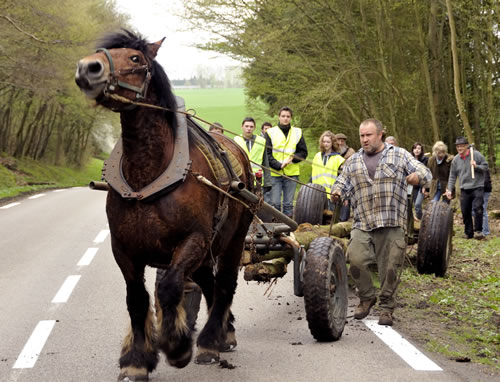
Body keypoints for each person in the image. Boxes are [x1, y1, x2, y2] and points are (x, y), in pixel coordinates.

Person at [331, 118, 431, 326]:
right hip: (363, 222)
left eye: (368, 135)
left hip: (391, 222)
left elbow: (426, 173)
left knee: (390, 269)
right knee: (355, 260)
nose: (364, 140)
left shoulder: (399, 154)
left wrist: (416, 177)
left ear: (380, 135)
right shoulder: (353, 161)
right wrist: (337, 191)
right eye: (362, 136)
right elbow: (342, 182)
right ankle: (367, 297)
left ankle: (386, 308)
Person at [265, 107, 308, 218]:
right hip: (275, 173)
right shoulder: (270, 132)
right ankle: (275, 228)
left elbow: (303, 152)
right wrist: (279, 165)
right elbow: (267, 154)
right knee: (275, 203)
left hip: (292, 173)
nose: (285, 118)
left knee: (288, 204)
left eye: (288, 116)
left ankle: (287, 230)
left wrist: (292, 159)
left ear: (291, 118)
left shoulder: (297, 132)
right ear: (279, 117)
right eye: (283, 116)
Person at [445, 136, 489, 240]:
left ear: (466, 146)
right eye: (457, 147)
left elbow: (486, 167)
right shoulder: (455, 160)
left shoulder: (476, 155)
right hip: (464, 188)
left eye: (461, 146)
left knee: (478, 207)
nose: (459, 149)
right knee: (465, 211)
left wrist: (476, 166)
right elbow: (452, 176)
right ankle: (468, 233)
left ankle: (478, 231)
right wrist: (450, 189)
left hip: (478, 186)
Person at [311, 131, 344, 211]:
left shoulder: (338, 159)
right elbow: (312, 175)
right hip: (317, 194)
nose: (326, 144)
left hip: (331, 195)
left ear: (332, 143)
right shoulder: (317, 156)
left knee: (329, 218)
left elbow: (342, 178)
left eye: (328, 142)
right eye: (324, 141)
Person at [234, 117, 268, 189]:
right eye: (246, 126)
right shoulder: (236, 140)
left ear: (254, 128)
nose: (249, 129)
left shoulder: (261, 141)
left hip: (257, 179)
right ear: (242, 127)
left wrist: (268, 182)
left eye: (251, 127)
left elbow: (265, 163)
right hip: (241, 178)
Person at [410, 142, 428, 220]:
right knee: (414, 206)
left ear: (421, 150)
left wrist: (425, 187)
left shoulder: (425, 160)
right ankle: (419, 220)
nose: (416, 150)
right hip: (412, 186)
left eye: (418, 148)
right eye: (415, 148)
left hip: (422, 185)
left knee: (417, 204)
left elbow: (427, 174)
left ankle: (421, 220)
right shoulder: (410, 160)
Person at [260, 122, 273, 204]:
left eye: (270, 129)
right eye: (266, 129)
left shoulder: (275, 140)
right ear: (262, 130)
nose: (268, 131)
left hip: (273, 171)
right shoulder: (259, 141)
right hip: (261, 173)